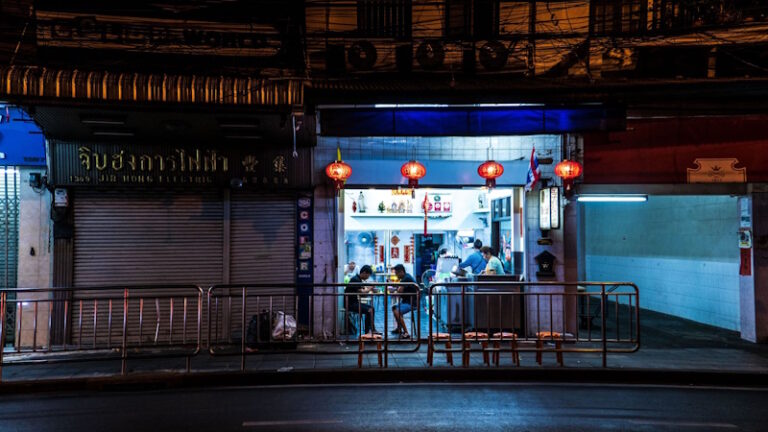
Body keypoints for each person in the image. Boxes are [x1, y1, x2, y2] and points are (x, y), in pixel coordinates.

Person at [345, 265, 379, 334]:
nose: (368, 277)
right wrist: (370, 288)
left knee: (371, 308)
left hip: (354, 302)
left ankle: (372, 330)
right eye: (368, 275)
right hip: (350, 304)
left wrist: (369, 288)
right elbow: (362, 293)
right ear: (364, 273)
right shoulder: (356, 280)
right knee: (369, 310)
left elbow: (363, 292)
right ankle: (368, 331)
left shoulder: (358, 279)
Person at [390, 264, 418, 338]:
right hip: (407, 301)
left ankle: (406, 332)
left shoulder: (406, 278)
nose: (396, 275)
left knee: (396, 311)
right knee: (394, 308)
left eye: (396, 273)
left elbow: (399, 291)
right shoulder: (406, 276)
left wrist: (395, 290)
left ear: (401, 272)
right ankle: (399, 328)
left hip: (411, 303)